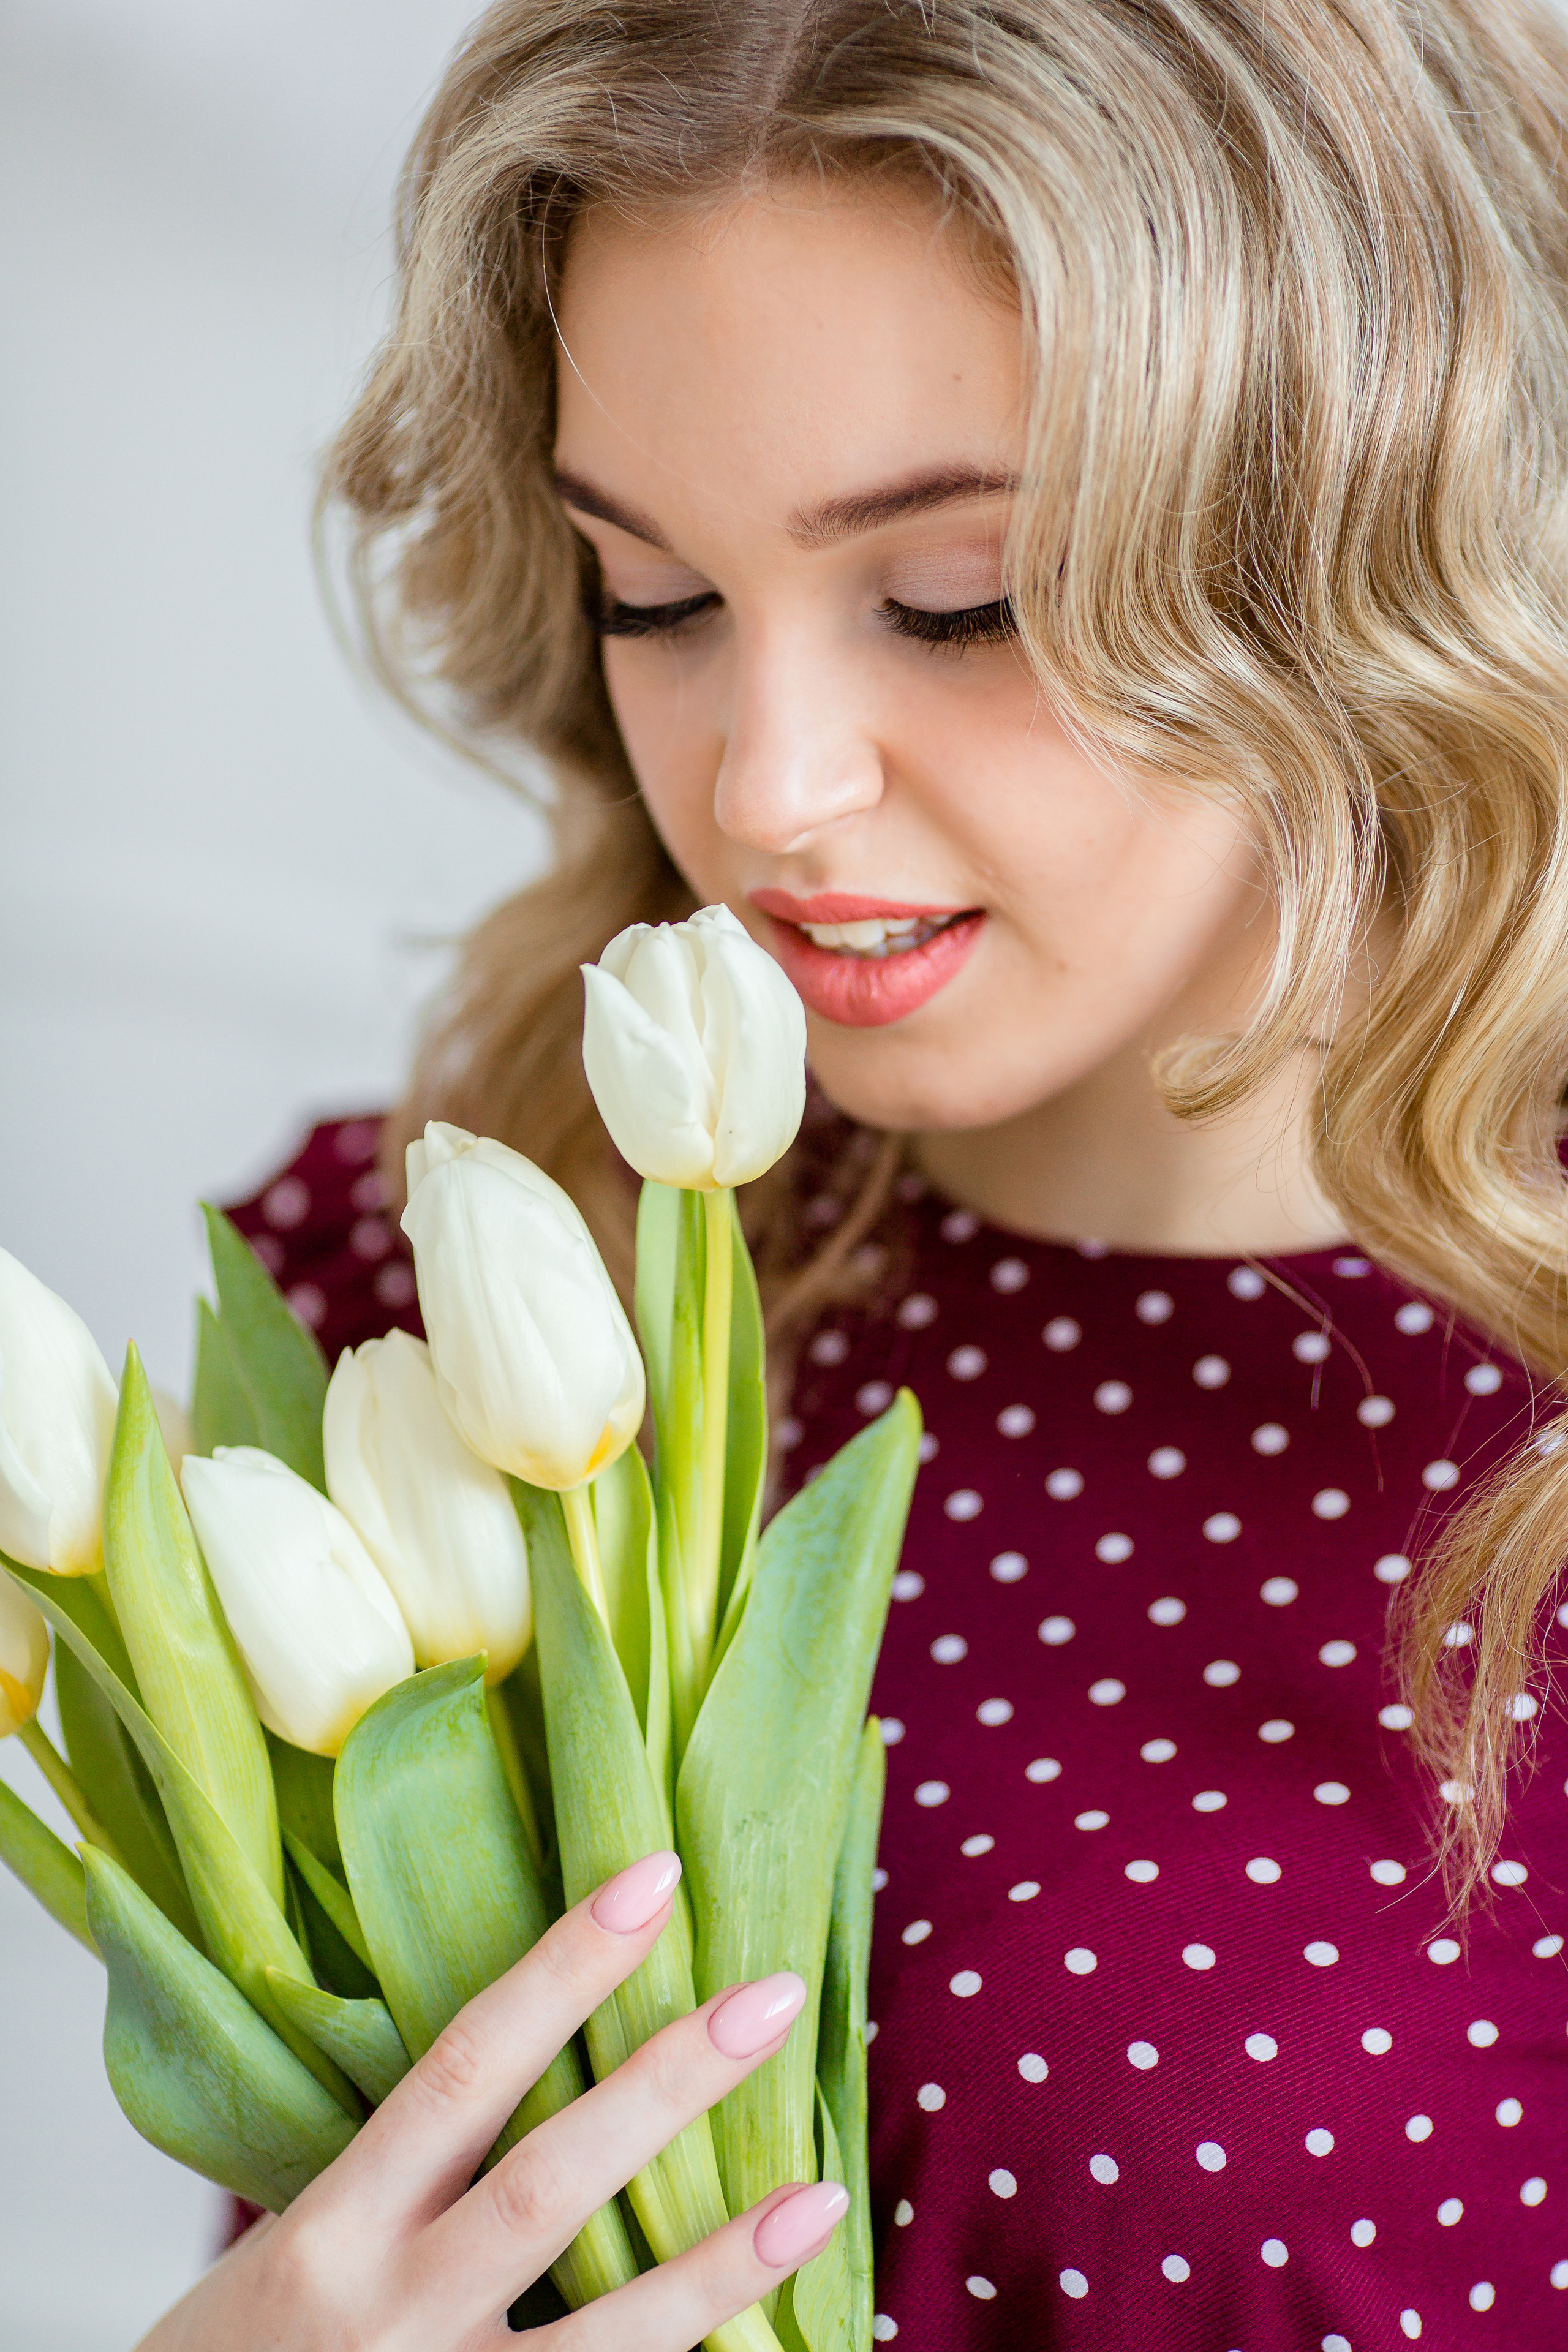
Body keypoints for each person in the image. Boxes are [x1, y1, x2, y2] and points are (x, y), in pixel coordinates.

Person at [141, 1, 1568, 2343]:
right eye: (658, 595)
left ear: (1373, 539)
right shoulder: (453, 1297)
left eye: (957, 600)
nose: (771, 785)